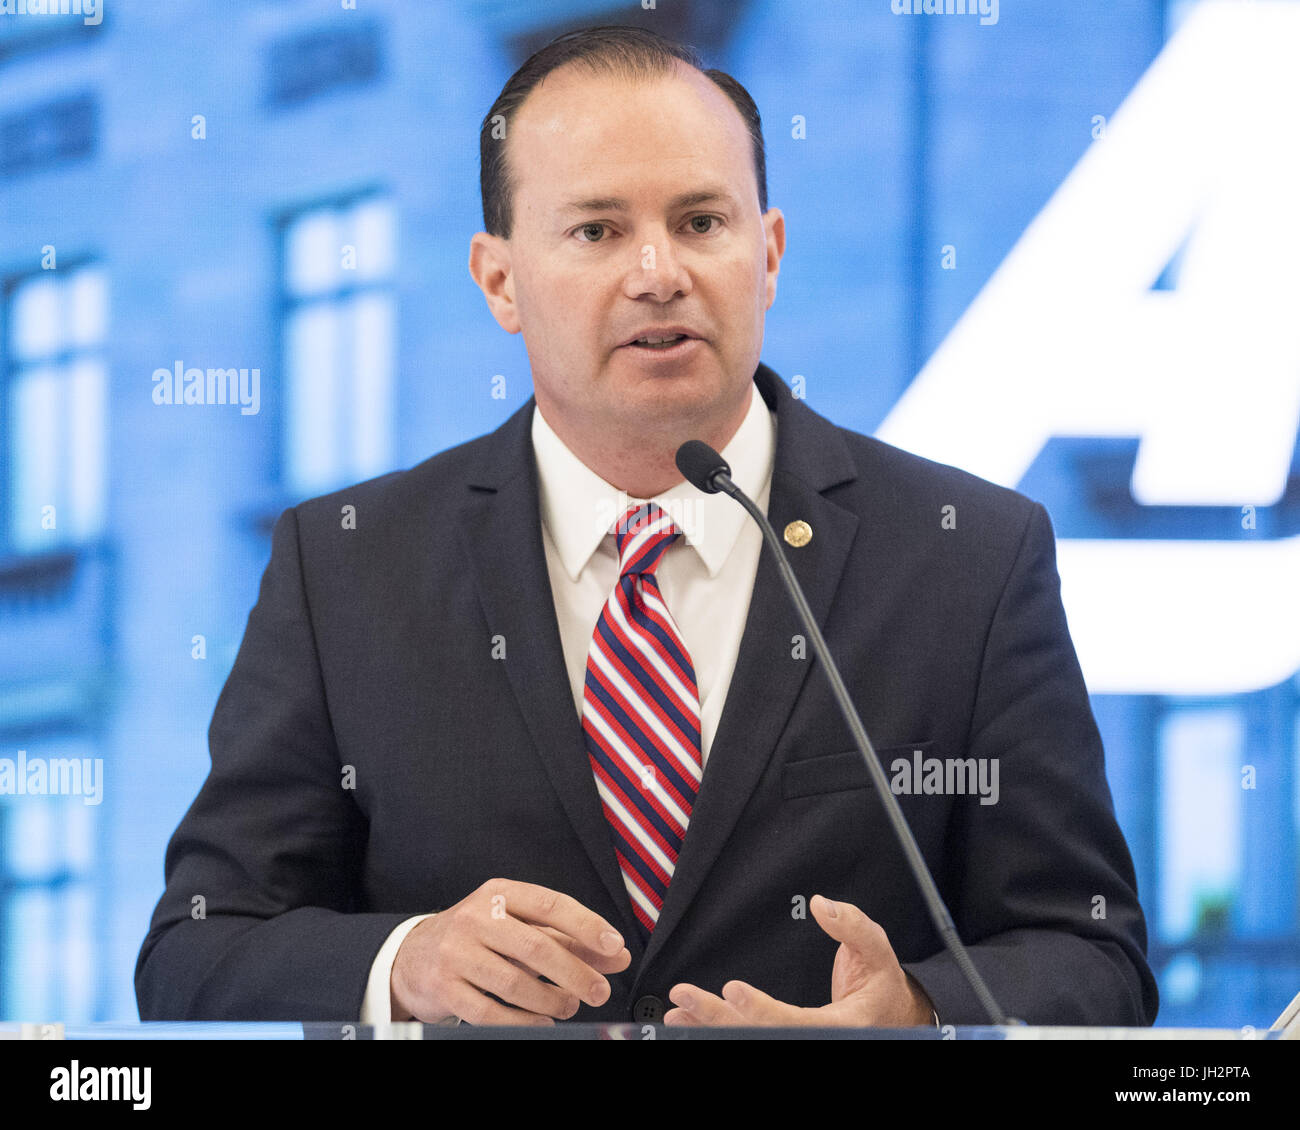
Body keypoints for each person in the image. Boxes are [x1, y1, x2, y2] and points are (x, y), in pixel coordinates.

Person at [136, 26, 1157, 1029]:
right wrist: (409, 961)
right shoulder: (347, 565)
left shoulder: (966, 556)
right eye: (596, 230)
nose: (658, 271)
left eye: (703, 221)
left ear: (768, 252)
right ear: (499, 280)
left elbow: (1090, 951)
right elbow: (193, 946)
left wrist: (921, 1010)